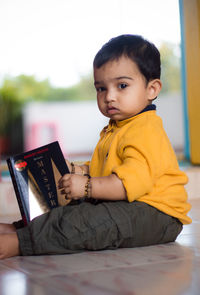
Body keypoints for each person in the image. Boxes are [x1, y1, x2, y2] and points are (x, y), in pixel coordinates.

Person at [0, 34, 191, 259]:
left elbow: (126, 184)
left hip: (156, 214)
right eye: (101, 88)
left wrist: (87, 187)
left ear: (152, 89)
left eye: (122, 86)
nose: (109, 96)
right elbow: (111, 166)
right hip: (132, 205)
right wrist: (81, 170)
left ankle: (20, 243)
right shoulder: (119, 126)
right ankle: (21, 229)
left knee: (87, 223)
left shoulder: (146, 130)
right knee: (72, 208)